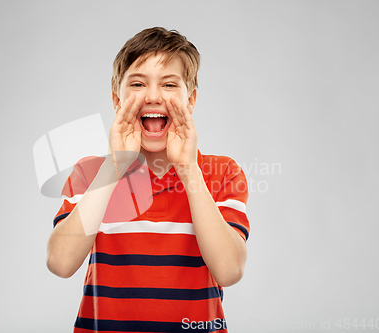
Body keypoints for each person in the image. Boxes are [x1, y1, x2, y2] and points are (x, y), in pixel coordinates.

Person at [46, 27, 250, 333]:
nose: (153, 96)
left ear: (190, 100)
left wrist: (189, 170)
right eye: (138, 83)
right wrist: (114, 168)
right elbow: (60, 263)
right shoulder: (91, 175)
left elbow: (230, 270)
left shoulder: (222, 173)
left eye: (169, 84)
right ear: (117, 99)